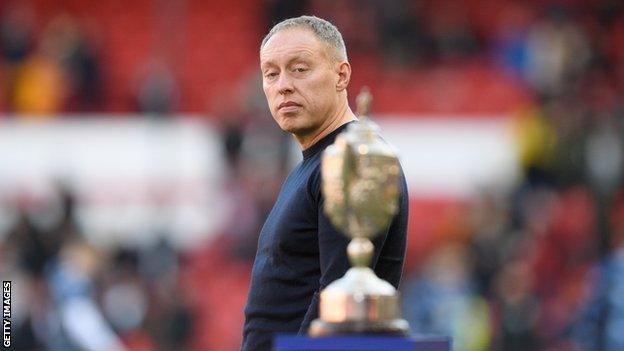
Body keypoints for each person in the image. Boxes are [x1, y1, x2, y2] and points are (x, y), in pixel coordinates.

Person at [241, 16, 409, 351]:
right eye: (271, 74)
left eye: (299, 69)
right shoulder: (313, 164)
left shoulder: (354, 161)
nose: (283, 85)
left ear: (341, 75)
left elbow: (337, 301)